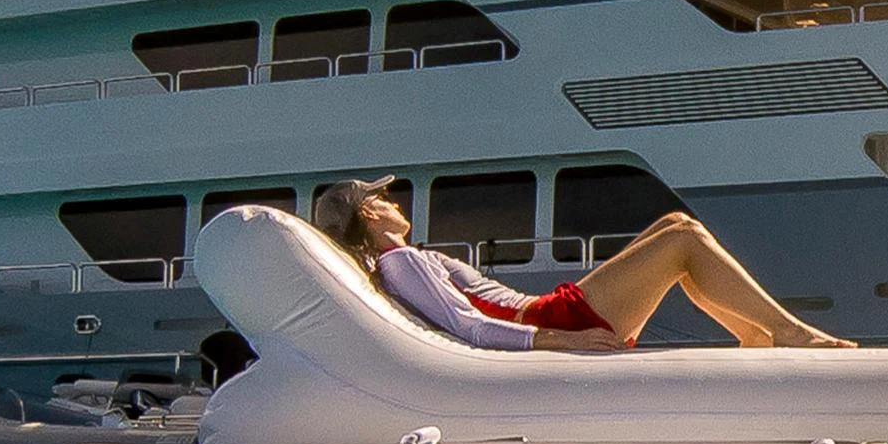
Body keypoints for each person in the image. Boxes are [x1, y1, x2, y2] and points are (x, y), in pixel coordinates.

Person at [304, 180, 851, 352]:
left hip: (552, 311)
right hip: (552, 319)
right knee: (683, 239)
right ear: (369, 213)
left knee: (674, 224)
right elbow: (467, 325)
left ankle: (755, 335)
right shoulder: (402, 262)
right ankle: (786, 331)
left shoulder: (403, 260)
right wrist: (562, 341)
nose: (394, 202)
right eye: (383, 198)